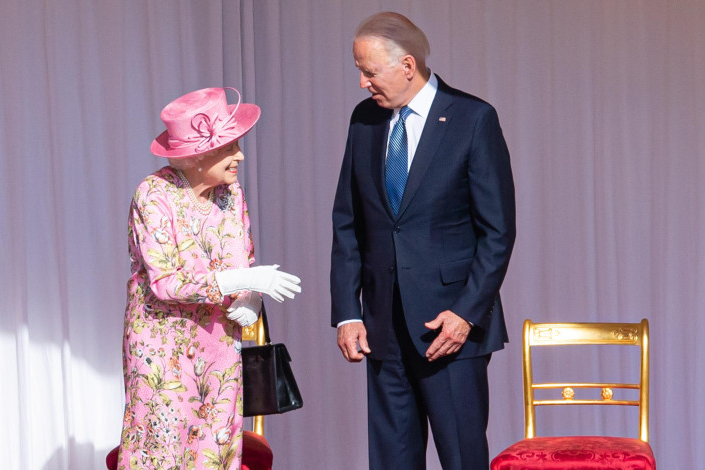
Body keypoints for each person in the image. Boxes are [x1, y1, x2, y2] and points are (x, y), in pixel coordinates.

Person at [330, 12, 516, 470]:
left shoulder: (473, 119)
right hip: (381, 331)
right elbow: (347, 222)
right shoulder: (364, 121)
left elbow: (498, 232)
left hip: (449, 329)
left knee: (461, 457)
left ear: (407, 66)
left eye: (369, 71)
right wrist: (347, 313)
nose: (361, 82)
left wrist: (466, 315)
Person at [117, 87, 301, 469]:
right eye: (230, 148)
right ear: (199, 155)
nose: (240, 156)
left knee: (215, 451)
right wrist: (237, 282)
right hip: (162, 349)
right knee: (162, 448)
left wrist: (251, 296)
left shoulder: (230, 193)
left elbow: (243, 259)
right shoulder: (153, 194)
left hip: (219, 344)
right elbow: (165, 282)